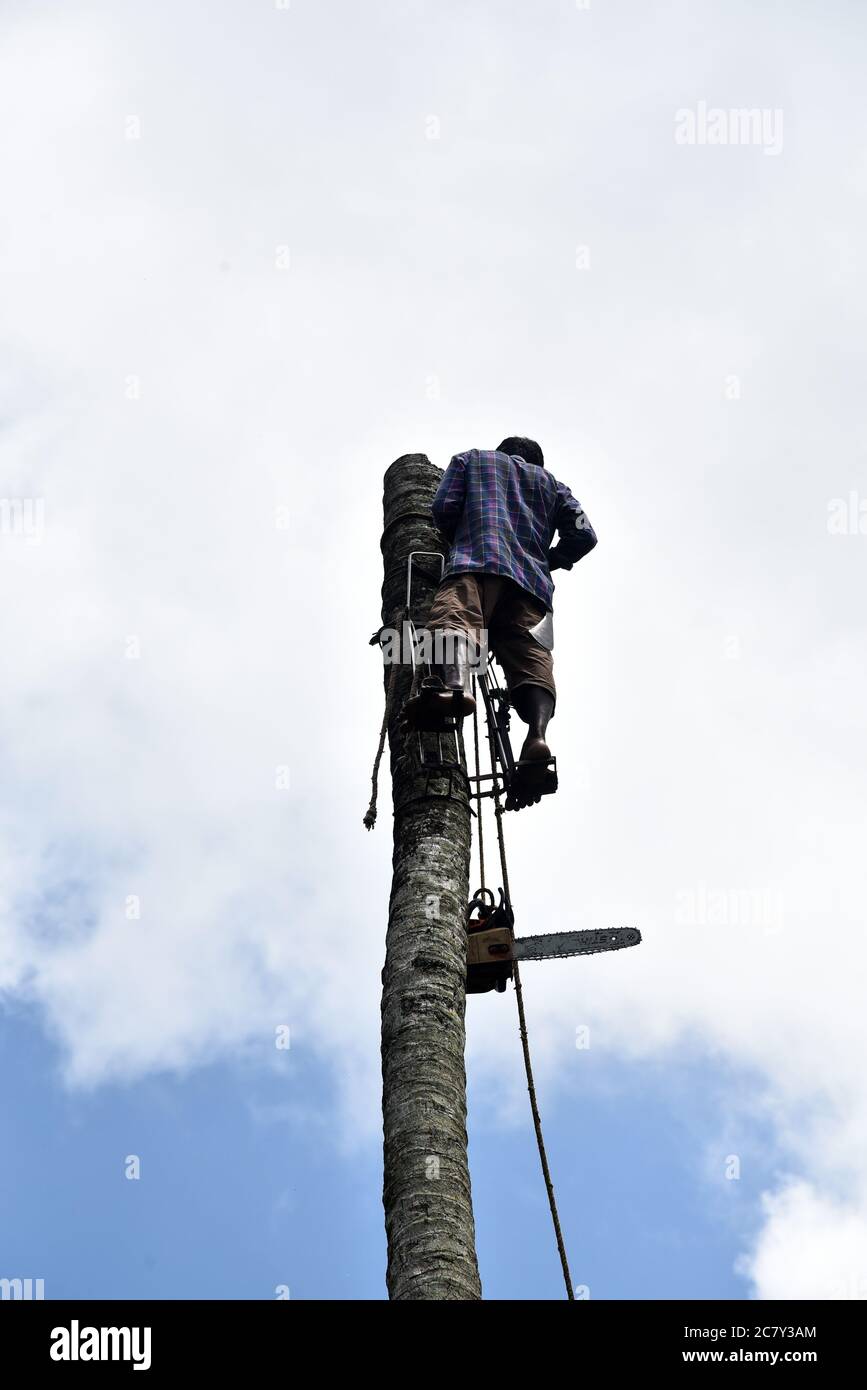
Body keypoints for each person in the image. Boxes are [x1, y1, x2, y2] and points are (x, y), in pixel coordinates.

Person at [403, 437, 597, 807]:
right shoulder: (553, 485)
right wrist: (548, 558)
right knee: (532, 660)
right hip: (532, 586)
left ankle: (456, 689)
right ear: (536, 462)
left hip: (477, 560)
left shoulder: (472, 460)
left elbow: (443, 507)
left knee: (454, 618)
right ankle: (537, 735)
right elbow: (584, 535)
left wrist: (457, 536)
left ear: (504, 451)